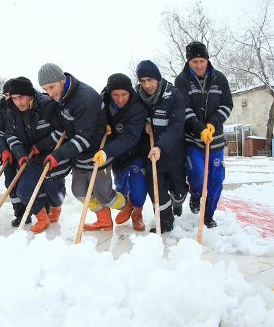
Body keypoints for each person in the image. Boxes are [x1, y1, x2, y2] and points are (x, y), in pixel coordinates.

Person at [38, 63, 126, 231]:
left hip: (97, 152)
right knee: (79, 191)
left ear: (62, 80)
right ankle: (104, 219)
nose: (50, 93)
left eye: (51, 87)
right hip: (79, 154)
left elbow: (84, 139)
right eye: (45, 89)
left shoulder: (85, 98)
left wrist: (57, 155)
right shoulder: (61, 96)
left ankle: (127, 206)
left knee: (105, 195)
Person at [174, 41, 233, 229]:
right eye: (194, 62)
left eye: (201, 61)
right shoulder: (182, 80)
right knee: (198, 176)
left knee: (216, 181)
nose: (199, 65)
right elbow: (184, 109)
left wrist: (212, 124)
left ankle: (208, 214)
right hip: (193, 140)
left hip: (215, 141)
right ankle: (196, 195)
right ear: (188, 62)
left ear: (207, 60)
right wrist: (200, 129)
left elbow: (227, 105)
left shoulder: (219, 78)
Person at [5, 76, 70, 233]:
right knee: (23, 190)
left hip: (55, 154)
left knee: (52, 187)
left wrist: (40, 146)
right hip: (33, 157)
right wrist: (20, 154)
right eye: (14, 98)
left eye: (21, 97)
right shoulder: (11, 111)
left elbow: (62, 132)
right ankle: (42, 218)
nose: (18, 102)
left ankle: (56, 206)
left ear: (31, 95)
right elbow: (11, 136)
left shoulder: (48, 106)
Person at [136, 60, 187, 233]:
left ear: (157, 78)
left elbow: (176, 126)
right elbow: (132, 115)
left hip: (173, 151)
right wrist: (143, 122)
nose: (147, 85)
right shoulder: (138, 97)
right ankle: (164, 222)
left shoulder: (174, 95)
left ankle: (178, 199)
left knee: (178, 188)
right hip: (150, 153)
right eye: (142, 81)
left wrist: (160, 146)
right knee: (156, 188)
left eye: (150, 79)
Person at [98, 73, 148, 231]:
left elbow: (131, 137)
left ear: (130, 92)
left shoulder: (137, 106)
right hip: (116, 154)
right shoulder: (102, 102)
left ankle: (137, 213)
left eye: (124, 94)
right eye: (115, 95)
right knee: (120, 185)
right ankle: (126, 206)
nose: (120, 99)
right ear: (109, 93)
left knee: (138, 186)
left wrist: (107, 151)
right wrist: (101, 126)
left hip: (135, 150)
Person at [0, 79, 29, 226]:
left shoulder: (21, 106)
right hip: (8, 152)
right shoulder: (1, 108)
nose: (9, 99)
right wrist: (4, 149)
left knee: (27, 181)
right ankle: (19, 212)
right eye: (6, 95)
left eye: (11, 95)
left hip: (25, 150)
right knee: (10, 181)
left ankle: (36, 209)